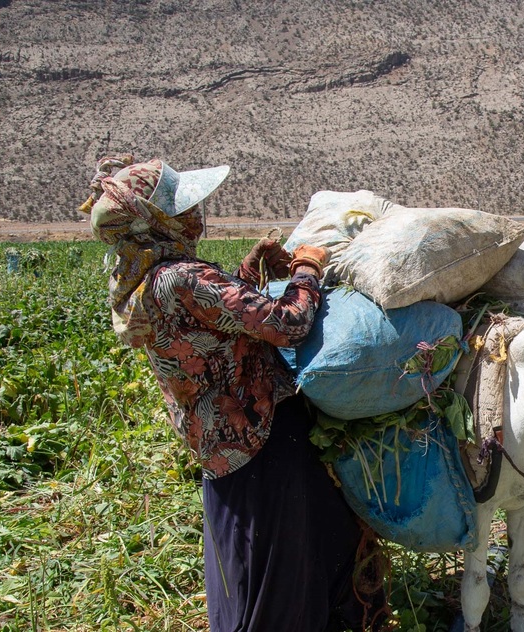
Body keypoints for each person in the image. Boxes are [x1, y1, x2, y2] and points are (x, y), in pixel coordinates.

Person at [82, 155, 386, 631]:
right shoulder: (185, 276)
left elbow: (210, 322)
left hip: (216, 441)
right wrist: (307, 270)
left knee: (246, 549)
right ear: (158, 222)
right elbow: (289, 325)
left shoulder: (142, 280)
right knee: (289, 551)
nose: (195, 215)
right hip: (261, 431)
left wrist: (246, 272)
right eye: (182, 210)